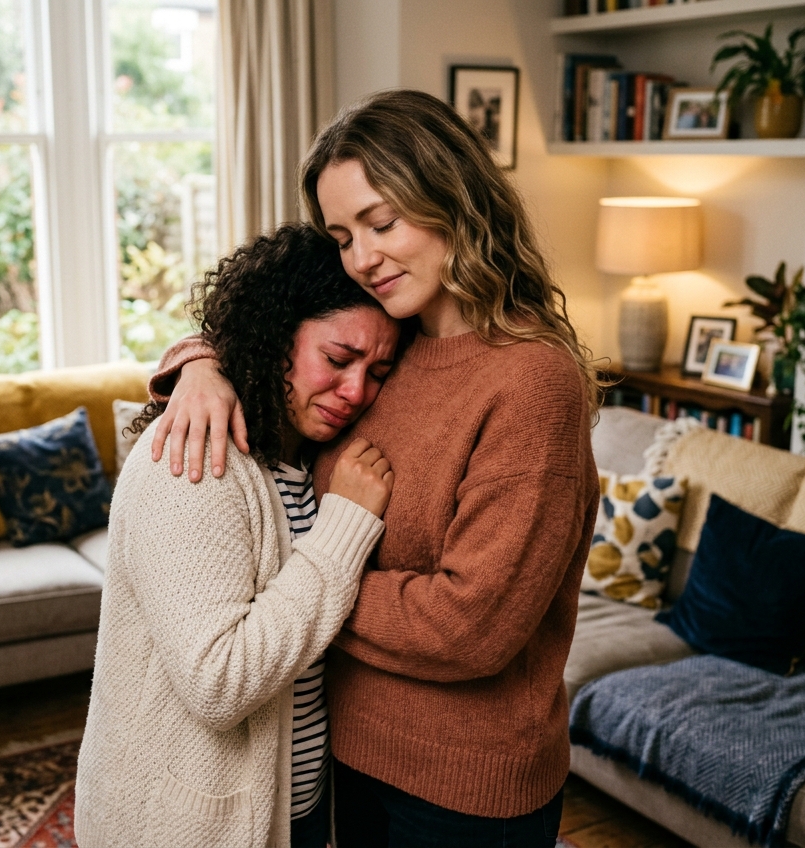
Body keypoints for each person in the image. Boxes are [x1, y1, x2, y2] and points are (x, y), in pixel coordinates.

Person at [149, 89, 601, 848]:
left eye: (382, 223)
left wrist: (290, 590)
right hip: (342, 755)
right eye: (342, 236)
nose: (362, 258)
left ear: (452, 198)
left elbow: (471, 627)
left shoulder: (530, 381)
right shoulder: (389, 339)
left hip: (462, 788)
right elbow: (274, 331)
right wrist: (202, 363)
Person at [74, 223, 401, 848]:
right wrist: (345, 528)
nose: (356, 391)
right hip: (185, 827)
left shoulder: (306, 457)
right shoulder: (194, 461)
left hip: (291, 812)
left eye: (379, 371)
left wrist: (198, 361)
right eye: (337, 359)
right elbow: (219, 683)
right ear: (274, 334)